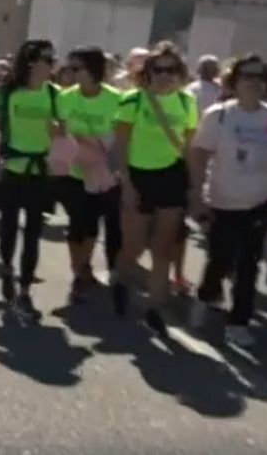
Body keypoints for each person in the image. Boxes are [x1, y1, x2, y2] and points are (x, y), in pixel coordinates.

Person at [187, 54, 267, 347]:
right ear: (234, 82)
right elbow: (199, 154)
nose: (254, 83)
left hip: (260, 201)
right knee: (220, 259)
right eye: (248, 76)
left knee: (249, 263)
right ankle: (206, 295)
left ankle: (239, 320)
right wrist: (196, 193)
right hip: (224, 201)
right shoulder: (219, 115)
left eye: (260, 77)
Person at [112, 41, 198, 335]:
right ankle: (120, 278)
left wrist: (195, 188)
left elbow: (189, 149)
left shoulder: (187, 103)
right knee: (134, 247)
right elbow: (120, 145)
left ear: (180, 73)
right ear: (147, 73)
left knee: (162, 249)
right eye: (158, 69)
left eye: (171, 69)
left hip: (171, 178)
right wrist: (126, 184)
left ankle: (155, 307)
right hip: (138, 177)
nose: (165, 75)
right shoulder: (133, 101)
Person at [0, 39, 59, 320]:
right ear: (33, 63)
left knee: (34, 233)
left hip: (41, 171)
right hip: (12, 169)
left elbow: (64, 133)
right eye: (49, 59)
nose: (53, 65)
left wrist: (57, 132)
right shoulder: (8, 93)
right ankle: (8, 267)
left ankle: (25, 289)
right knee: (9, 226)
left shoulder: (55, 95)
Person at [54, 45, 123, 303]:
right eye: (68, 68)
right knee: (77, 225)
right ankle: (80, 273)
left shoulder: (117, 99)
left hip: (105, 173)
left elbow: (122, 137)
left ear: (93, 70)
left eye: (76, 68)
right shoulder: (65, 97)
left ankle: (86, 270)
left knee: (92, 225)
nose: (69, 73)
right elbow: (60, 130)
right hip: (72, 171)